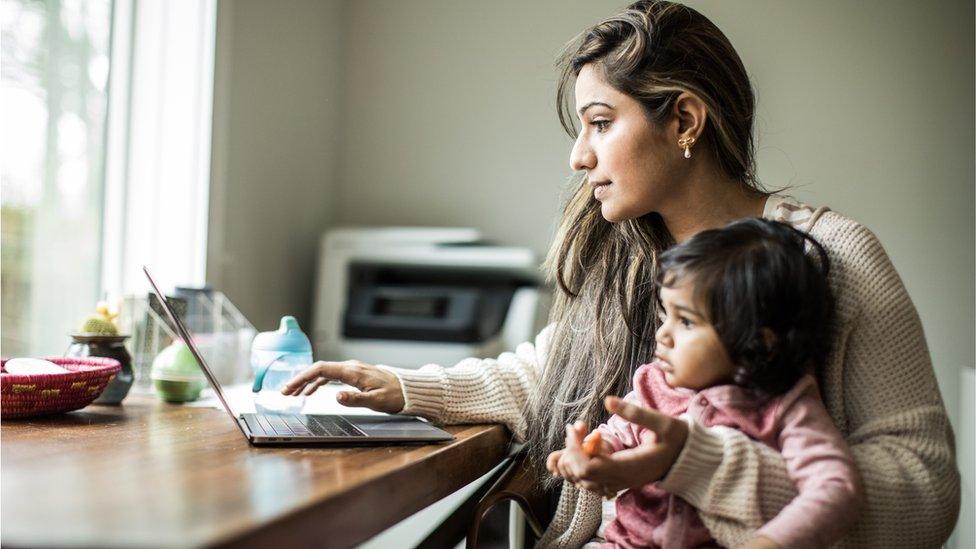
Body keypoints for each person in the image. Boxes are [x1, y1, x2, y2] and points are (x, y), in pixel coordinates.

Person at [283, 1, 959, 547]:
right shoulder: (625, 257)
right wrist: (399, 387)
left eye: (600, 123)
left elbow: (926, 491)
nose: (579, 156)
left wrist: (696, 465)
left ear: (685, 120)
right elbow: (547, 379)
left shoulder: (834, 258)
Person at [547, 218, 865, 548]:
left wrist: (772, 542)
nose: (662, 335)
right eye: (664, 315)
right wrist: (593, 452)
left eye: (685, 321)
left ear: (759, 345)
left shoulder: (787, 407)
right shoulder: (654, 384)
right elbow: (616, 433)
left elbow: (835, 488)